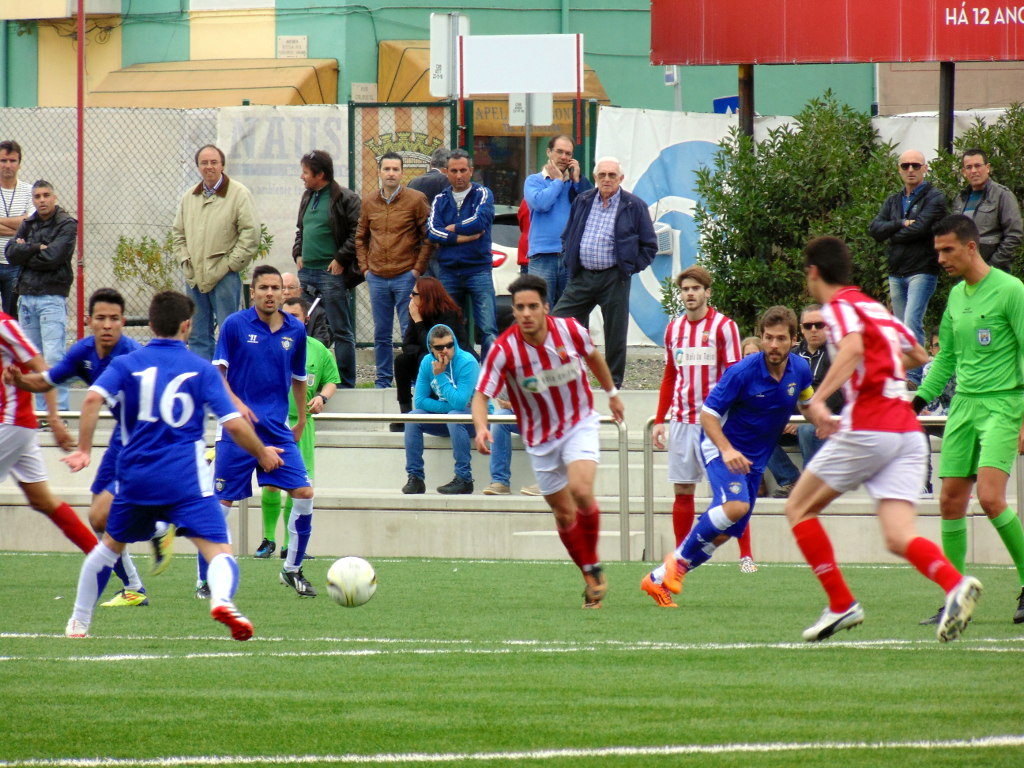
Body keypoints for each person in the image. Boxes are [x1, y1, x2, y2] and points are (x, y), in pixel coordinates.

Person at [785, 234, 982, 643]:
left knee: (798, 508)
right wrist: (880, 362)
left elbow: (854, 347)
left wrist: (818, 400)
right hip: (906, 432)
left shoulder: (839, 307)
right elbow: (917, 354)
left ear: (814, 272)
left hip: (871, 424)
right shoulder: (874, 308)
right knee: (897, 536)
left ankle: (841, 603)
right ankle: (955, 583)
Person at [61, 291, 284, 640]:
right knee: (219, 550)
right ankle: (222, 600)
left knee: (109, 548)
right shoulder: (201, 369)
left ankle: (78, 622)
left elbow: (91, 400)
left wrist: (84, 449)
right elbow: (235, 424)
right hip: (185, 480)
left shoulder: (126, 363)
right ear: (187, 326)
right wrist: (262, 452)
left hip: (135, 477)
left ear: (150, 324)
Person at [7, 288, 171, 607]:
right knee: (98, 520)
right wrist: (20, 381)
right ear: (89, 321)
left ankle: (159, 528)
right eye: (101, 318)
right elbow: (47, 380)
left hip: (147, 441)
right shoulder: (82, 352)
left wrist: (83, 449)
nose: (107, 325)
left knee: (110, 514)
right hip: (122, 439)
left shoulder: (131, 356)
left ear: (123, 322)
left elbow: (95, 402)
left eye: (114, 319)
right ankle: (135, 585)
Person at [641, 306, 813, 610]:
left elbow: (808, 403)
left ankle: (656, 579)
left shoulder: (800, 369)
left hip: (754, 460)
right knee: (735, 506)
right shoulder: (742, 372)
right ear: (761, 337)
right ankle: (677, 563)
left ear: (793, 340)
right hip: (721, 446)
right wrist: (727, 450)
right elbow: (708, 415)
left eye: (781, 338)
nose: (774, 345)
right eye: (768, 338)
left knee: (724, 534)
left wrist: (827, 421)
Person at [473, 274, 625, 609]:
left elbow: (594, 357)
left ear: (545, 307)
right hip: (540, 439)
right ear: (514, 311)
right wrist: (481, 427)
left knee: (581, 491)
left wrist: (612, 393)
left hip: (578, 423)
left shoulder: (570, 330)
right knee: (563, 514)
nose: (526, 313)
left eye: (532, 306)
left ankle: (592, 565)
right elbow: (481, 395)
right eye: (519, 308)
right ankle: (590, 574)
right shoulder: (504, 349)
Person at [913, 214, 1024, 626]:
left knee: (991, 499)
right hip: (963, 406)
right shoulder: (956, 297)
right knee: (949, 502)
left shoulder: (1011, 290)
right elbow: (946, 359)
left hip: (1003, 404)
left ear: (971, 247)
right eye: (937, 251)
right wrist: (917, 402)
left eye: (948, 250)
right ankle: (954, 597)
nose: (941, 258)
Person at [212, 265, 318, 597]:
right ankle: (206, 578)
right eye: (264, 288)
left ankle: (292, 569)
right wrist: (234, 403)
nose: (270, 293)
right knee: (222, 503)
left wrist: (301, 419)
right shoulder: (234, 325)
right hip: (237, 430)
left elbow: (299, 379)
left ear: (283, 293)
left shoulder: (295, 330)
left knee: (304, 493)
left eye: (275, 288)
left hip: (276, 430)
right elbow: (217, 374)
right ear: (253, 292)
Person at [648, 266, 748, 584]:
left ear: (708, 292)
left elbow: (735, 376)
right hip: (681, 420)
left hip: (715, 423)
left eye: (695, 288)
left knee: (732, 493)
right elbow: (669, 375)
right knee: (682, 491)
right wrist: (660, 419)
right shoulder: (673, 329)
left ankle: (746, 555)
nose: (690, 294)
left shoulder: (724, 327)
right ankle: (680, 560)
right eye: (685, 289)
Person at [554, 157, 657, 388]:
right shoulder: (583, 200)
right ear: (595, 177)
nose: (607, 179)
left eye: (612, 175)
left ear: (621, 178)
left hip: (614, 277)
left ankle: (612, 385)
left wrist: (629, 267)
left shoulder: (634, 205)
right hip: (582, 276)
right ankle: (565, 378)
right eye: (602, 175)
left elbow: (650, 246)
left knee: (615, 334)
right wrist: (569, 256)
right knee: (558, 322)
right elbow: (568, 234)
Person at [0, 308, 95, 557]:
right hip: (17, 427)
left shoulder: (4, 325)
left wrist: (54, 419)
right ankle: (102, 559)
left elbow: (43, 370)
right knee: (42, 501)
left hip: (10, 423)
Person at [257, 296, 340, 559]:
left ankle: (287, 545)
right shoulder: (268, 344)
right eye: (285, 315)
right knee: (271, 483)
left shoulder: (318, 349)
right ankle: (268, 540)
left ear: (306, 319)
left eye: (295, 316)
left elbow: (331, 381)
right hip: (273, 422)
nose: (289, 320)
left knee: (298, 485)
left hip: (302, 425)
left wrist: (322, 397)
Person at [172, 144, 258, 361]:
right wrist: (185, 261)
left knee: (230, 333)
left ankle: (229, 376)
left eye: (213, 162)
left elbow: (250, 233)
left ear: (222, 165)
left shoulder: (239, 194)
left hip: (225, 277)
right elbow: (178, 234)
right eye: (204, 163)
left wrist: (230, 265)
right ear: (198, 167)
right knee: (197, 335)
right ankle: (204, 377)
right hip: (194, 278)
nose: (209, 167)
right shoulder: (189, 197)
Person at [869, 148, 947, 381]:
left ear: (925, 168)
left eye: (915, 165)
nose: (910, 170)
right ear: (899, 170)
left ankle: (913, 377)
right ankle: (902, 374)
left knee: (912, 320)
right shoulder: (893, 200)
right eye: (905, 166)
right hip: (897, 271)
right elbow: (875, 229)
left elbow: (921, 228)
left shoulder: (934, 197)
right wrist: (901, 223)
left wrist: (891, 232)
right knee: (900, 327)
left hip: (922, 269)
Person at [356, 151, 433, 389]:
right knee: (381, 333)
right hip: (377, 277)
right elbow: (360, 238)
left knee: (410, 330)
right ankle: (382, 380)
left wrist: (417, 269)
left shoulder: (416, 199)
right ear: (379, 172)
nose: (391, 173)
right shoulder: (369, 201)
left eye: (395, 169)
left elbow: (428, 237)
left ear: (402, 173)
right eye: (386, 169)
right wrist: (365, 269)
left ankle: (414, 381)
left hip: (405, 275)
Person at [293, 149, 361, 389]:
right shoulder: (307, 196)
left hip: (331, 274)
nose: (302, 177)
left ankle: (346, 383)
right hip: (306, 273)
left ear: (320, 174)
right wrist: (298, 253)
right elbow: (301, 230)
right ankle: (306, 379)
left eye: (305, 172)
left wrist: (341, 258)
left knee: (340, 330)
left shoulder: (346, 198)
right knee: (304, 327)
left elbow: (359, 232)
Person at [5, 179, 75, 411]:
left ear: (54, 197)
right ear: (33, 200)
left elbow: (53, 258)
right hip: (26, 297)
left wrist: (25, 251)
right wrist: (36, 247)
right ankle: (42, 414)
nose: (42, 200)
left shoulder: (66, 224)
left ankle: (60, 412)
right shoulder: (28, 223)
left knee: (54, 357)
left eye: (46, 195)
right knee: (33, 358)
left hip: (51, 297)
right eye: (37, 196)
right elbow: (11, 253)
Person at [765, 304, 847, 497]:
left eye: (819, 325)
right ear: (801, 329)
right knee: (757, 429)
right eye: (808, 326)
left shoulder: (838, 354)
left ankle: (811, 485)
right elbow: (778, 389)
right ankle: (791, 481)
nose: (813, 330)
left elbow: (839, 392)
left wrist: (804, 418)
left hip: (827, 420)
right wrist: (785, 418)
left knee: (807, 429)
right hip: (793, 420)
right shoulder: (791, 355)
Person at [426, 148, 497, 361]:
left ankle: (489, 374)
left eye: (463, 170)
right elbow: (432, 231)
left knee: (488, 328)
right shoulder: (440, 199)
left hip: (478, 270)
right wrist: (462, 238)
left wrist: (452, 228)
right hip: (448, 271)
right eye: (454, 171)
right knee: (449, 329)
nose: (459, 175)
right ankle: (457, 371)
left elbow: (480, 221)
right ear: (446, 172)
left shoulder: (483, 194)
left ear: (471, 171)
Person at [401, 323, 479, 495]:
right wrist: (448, 409)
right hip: (450, 417)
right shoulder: (427, 362)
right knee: (413, 417)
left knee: (455, 415)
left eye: (449, 345)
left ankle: (464, 478)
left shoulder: (468, 362)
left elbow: (460, 404)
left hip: (477, 419)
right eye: (439, 347)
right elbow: (419, 401)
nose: (445, 350)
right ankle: (415, 477)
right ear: (431, 348)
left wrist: (440, 375)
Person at [523, 135, 593, 307]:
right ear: (548, 152)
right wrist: (558, 182)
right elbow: (541, 204)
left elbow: (592, 206)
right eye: (559, 152)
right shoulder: (534, 180)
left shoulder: (576, 183)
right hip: (542, 256)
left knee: (572, 311)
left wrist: (578, 180)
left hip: (571, 257)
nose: (563, 157)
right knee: (540, 310)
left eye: (568, 153)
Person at [393, 277, 471, 429]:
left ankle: (436, 409)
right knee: (402, 361)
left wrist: (419, 322)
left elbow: (440, 348)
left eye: (414, 293)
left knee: (427, 358)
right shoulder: (417, 313)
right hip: (424, 360)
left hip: (453, 363)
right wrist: (424, 350)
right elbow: (407, 345)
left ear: (426, 296)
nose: (410, 296)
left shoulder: (449, 314)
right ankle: (405, 413)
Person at [950, 148, 1024, 272]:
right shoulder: (960, 199)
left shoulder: (1002, 195)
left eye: (978, 166)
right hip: (966, 271)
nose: (974, 171)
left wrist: (992, 266)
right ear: (964, 172)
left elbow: (1014, 235)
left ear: (987, 167)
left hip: (995, 271)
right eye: (969, 167)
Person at [0, 140, 34, 317]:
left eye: (12, 160)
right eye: (3, 160)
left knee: (13, 317)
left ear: (19, 164)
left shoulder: (29, 191)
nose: (8, 165)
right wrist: (19, 227)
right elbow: (24, 224)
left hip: (16, 264)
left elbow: (31, 224)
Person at [282, 271, 331, 348]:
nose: (286, 292)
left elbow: (322, 341)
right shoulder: (270, 312)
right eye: (282, 288)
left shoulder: (316, 312)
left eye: (291, 287)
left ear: (299, 291)